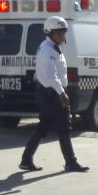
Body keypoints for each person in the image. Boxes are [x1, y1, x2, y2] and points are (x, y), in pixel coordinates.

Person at [19, 16, 88, 172]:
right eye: (58, 33)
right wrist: (62, 93)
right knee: (64, 127)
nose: (62, 36)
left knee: (44, 125)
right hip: (53, 93)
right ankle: (71, 162)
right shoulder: (48, 50)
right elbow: (51, 76)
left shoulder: (52, 47)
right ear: (49, 32)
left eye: (63, 33)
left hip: (48, 92)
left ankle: (26, 159)